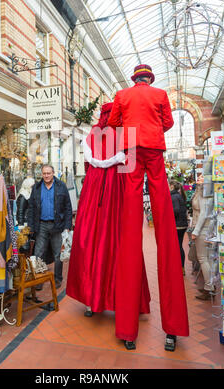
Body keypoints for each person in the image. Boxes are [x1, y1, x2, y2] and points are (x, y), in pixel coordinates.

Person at [108, 64, 189, 352]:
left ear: (134, 79)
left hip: (130, 150)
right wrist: (152, 127)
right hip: (154, 149)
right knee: (165, 226)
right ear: (149, 79)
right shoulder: (160, 94)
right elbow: (167, 122)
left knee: (130, 230)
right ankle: (173, 330)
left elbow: (115, 122)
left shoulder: (122, 94)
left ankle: (128, 332)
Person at [66, 103, 151, 325]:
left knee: (90, 241)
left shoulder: (91, 135)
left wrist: (101, 164)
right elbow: (131, 167)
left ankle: (90, 300)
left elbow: (89, 163)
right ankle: (127, 299)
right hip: (117, 189)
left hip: (94, 191)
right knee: (121, 242)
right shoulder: (126, 134)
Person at [27, 164, 72, 289]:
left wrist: (67, 226)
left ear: (53, 173)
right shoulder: (36, 187)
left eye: (49, 173)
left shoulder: (61, 186)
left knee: (58, 254)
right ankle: (39, 280)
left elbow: (68, 207)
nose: (46, 176)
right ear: (42, 174)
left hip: (57, 225)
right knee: (38, 253)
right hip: (41, 225)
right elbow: (31, 208)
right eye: (44, 173)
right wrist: (31, 226)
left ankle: (58, 279)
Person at [190, 174, 216, 300]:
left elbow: (203, 214)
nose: (198, 178)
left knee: (203, 258)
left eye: (201, 177)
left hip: (203, 229)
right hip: (207, 228)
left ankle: (209, 288)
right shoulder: (202, 190)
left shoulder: (204, 192)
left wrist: (196, 231)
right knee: (207, 259)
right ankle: (210, 285)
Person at [169, 180, 188, 275]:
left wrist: (167, 215)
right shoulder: (179, 195)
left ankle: (180, 268)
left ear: (172, 186)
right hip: (182, 224)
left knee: (177, 246)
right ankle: (181, 267)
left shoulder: (174, 196)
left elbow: (175, 210)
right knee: (179, 246)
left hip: (178, 225)